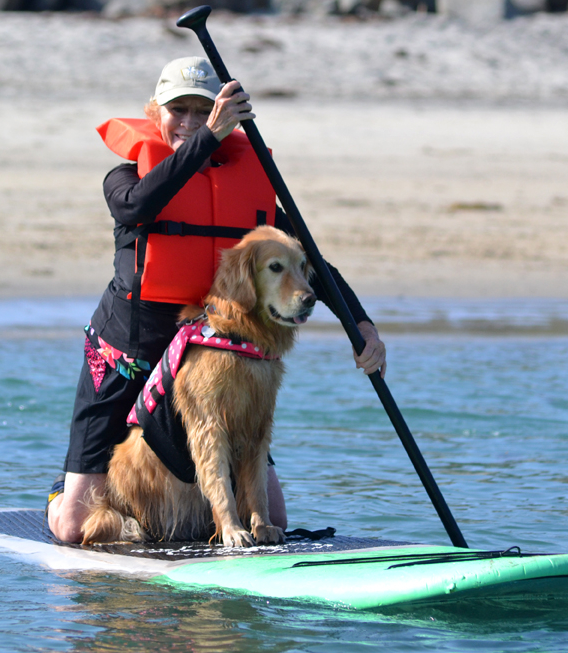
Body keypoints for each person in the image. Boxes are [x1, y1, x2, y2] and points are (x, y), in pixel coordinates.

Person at [47, 57, 387, 543]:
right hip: (126, 361)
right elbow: (141, 205)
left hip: (210, 368)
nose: (188, 122)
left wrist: (362, 328)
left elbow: (310, 262)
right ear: (153, 112)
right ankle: (62, 490)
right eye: (177, 110)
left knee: (273, 517)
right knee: (75, 527)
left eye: (202, 111)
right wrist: (208, 136)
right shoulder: (123, 180)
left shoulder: (249, 193)